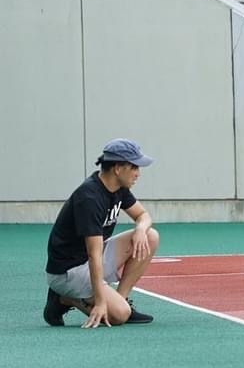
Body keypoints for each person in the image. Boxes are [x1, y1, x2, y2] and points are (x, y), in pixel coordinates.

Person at [43, 138, 160, 328]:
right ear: (117, 168)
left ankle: (121, 300)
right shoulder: (89, 197)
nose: (138, 173)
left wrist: (140, 229)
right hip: (67, 272)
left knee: (150, 236)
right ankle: (64, 298)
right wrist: (100, 302)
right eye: (134, 167)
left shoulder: (118, 188)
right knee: (119, 316)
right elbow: (94, 255)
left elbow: (143, 215)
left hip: (88, 261)